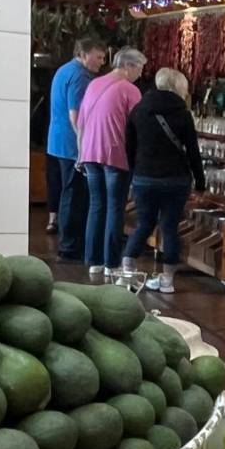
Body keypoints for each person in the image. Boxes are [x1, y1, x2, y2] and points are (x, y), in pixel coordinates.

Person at [120, 68, 206, 294]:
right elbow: (193, 152)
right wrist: (200, 182)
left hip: (144, 177)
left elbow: (129, 146)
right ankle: (167, 280)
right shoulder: (183, 113)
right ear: (179, 87)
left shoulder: (139, 110)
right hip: (176, 179)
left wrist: (133, 172)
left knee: (144, 224)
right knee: (169, 227)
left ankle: (127, 270)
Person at [76, 46, 146, 278]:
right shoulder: (130, 90)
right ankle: (111, 263)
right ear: (128, 66)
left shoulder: (94, 84)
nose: (141, 74)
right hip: (115, 154)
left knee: (96, 206)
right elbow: (138, 126)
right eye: (139, 68)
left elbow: (82, 121)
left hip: (89, 152)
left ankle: (93, 260)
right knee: (115, 208)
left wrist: (80, 152)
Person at [48, 37, 105, 259]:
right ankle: (70, 245)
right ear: (84, 54)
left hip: (58, 141)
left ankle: (69, 241)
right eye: (98, 57)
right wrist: (84, 148)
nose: (101, 62)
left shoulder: (64, 69)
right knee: (73, 195)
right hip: (71, 144)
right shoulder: (81, 75)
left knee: (68, 192)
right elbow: (76, 116)